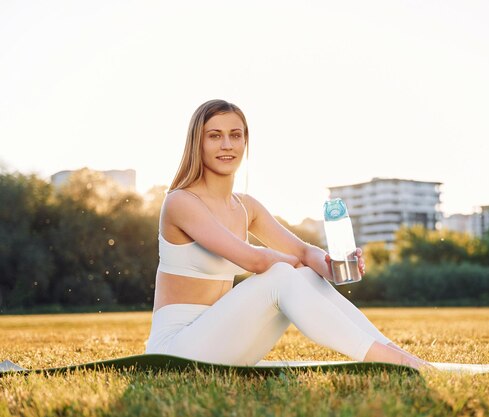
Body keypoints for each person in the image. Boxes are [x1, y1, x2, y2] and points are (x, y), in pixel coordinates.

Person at [145, 99, 432, 370]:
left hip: (220, 341)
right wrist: (295, 264)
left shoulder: (246, 207)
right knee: (283, 274)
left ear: (246, 141)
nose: (227, 145)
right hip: (176, 348)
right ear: (198, 142)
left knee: (304, 274)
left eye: (236, 135)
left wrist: (331, 266)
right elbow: (256, 261)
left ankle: (395, 352)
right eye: (214, 136)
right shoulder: (181, 202)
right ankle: (386, 358)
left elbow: (305, 252)